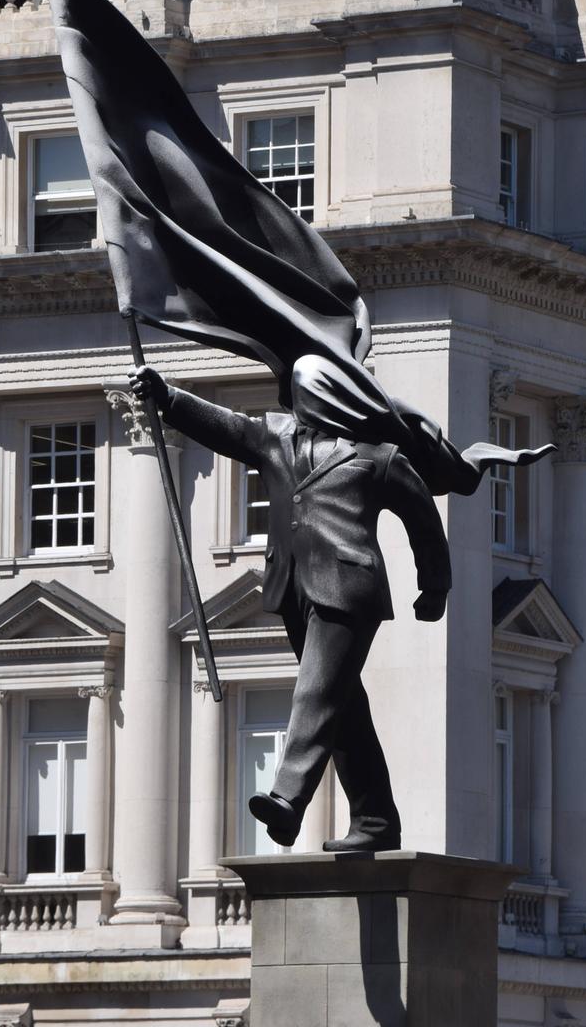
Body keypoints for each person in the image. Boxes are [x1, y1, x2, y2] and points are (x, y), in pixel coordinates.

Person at [129, 364, 449, 853]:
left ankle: (287, 800)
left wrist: (434, 586)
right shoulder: (274, 439)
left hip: (349, 588)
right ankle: (376, 820)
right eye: (296, 395)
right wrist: (168, 397)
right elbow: (224, 425)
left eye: (306, 394)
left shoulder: (376, 457)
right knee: (344, 710)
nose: (297, 403)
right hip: (291, 586)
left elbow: (423, 519)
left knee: (316, 691)